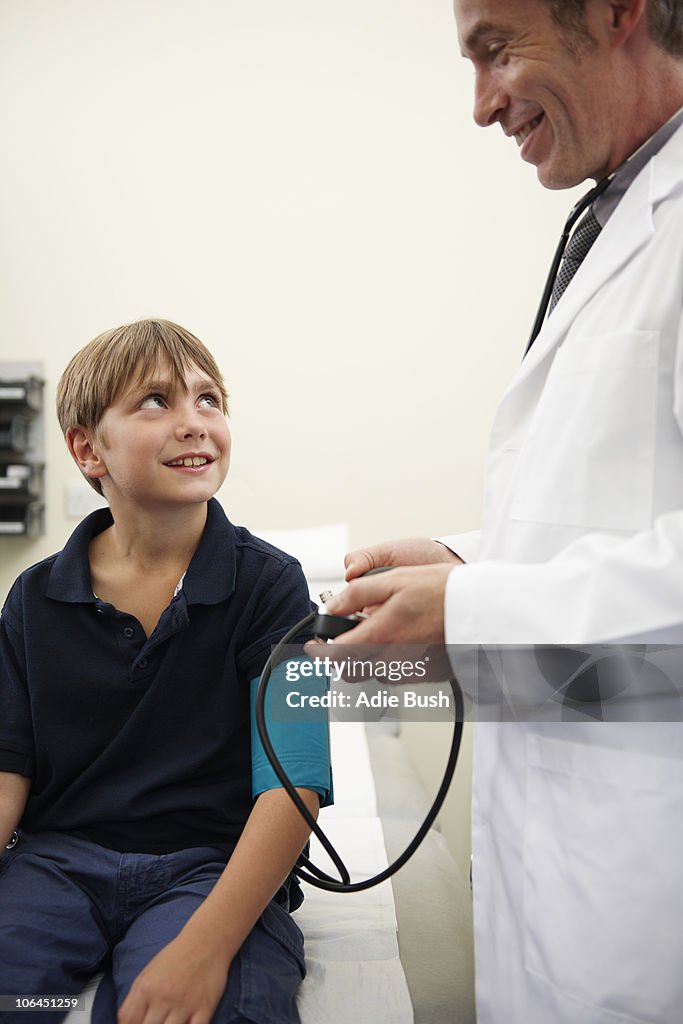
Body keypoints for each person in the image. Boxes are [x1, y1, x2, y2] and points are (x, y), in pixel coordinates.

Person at [318, 2, 683, 1022]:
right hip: (574, 870)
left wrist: (470, 606)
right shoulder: (622, 214)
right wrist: (462, 562)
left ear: (616, 11)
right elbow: (616, 514)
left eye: (494, 49)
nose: (480, 106)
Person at [0, 319, 331, 1024]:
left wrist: (204, 949)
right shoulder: (32, 600)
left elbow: (295, 779)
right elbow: (7, 771)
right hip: (55, 864)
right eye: (155, 402)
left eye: (209, 399)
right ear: (89, 448)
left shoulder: (274, 585)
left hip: (211, 868)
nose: (194, 423)